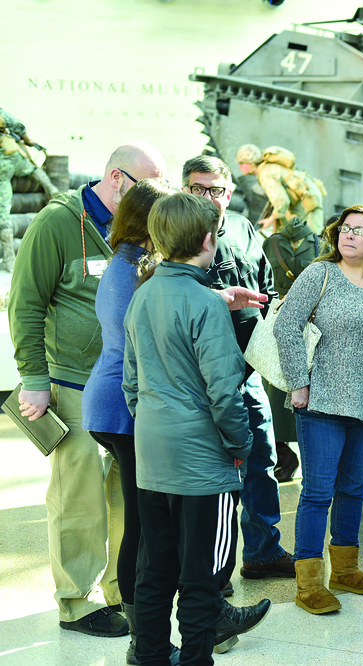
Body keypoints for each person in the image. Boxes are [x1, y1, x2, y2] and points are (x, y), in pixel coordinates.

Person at [80, 178, 270, 663]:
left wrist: (152, 421)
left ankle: (148, 656)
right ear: (207, 242)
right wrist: (241, 445)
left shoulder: (142, 294)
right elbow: (225, 393)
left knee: (154, 565)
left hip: (152, 452)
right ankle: (195, 658)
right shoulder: (206, 304)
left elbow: (131, 380)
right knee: (203, 574)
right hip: (205, 462)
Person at [8, 140, 166, 637]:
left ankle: (120, 590)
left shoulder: (142, 230)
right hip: (70, 383)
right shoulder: (58, 223)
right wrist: (34, 380)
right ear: (117, 177)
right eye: (150, 185)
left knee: (127, 496)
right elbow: (26, 304)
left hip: (129, 386)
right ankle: (77, 601)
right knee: (78, 497)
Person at [274, 204, 363, 615]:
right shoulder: (321, 274)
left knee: (352, 490)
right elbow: (285, 325)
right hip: (322, 403)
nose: (349, 236)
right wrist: (299, 381)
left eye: (359, 231)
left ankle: (345, 571)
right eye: (344, 229)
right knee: (317, 493)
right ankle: (309, 582)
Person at [180, 155, 295, 581]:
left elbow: (265, 285)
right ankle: (213, 577)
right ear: (184, 190)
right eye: (197, 188)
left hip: (249, 372)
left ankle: (263, 551)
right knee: (215, 478)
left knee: (262, 463)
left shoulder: (246, 229)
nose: (208, 198)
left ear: (229, 193)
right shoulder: (175, 235)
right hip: (201, 378)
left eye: (216, 190)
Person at [260, 214, 322, 482]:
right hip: (279, 319)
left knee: (310, 384)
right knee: (275, 387)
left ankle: (313, 456)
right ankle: (282, 452)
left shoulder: (320, 245)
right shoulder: (271, 243)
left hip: (312, 322)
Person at [1, 106, 59, 271]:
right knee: (32, 167)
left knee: (3, 214)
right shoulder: (2, 113)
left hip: (2, 166)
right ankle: (51, 187)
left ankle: (9, 261)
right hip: (12, 155)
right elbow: (19, 126)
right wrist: (30, 141)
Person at [235, 144, 326, 234]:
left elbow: (281, 201)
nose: (239, 167)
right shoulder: (266, 169)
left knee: (313, 239)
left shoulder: (264, 173)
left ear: (251, 163)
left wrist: (270, 220)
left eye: (241, 163)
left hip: (309, 199)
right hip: (303, 199)